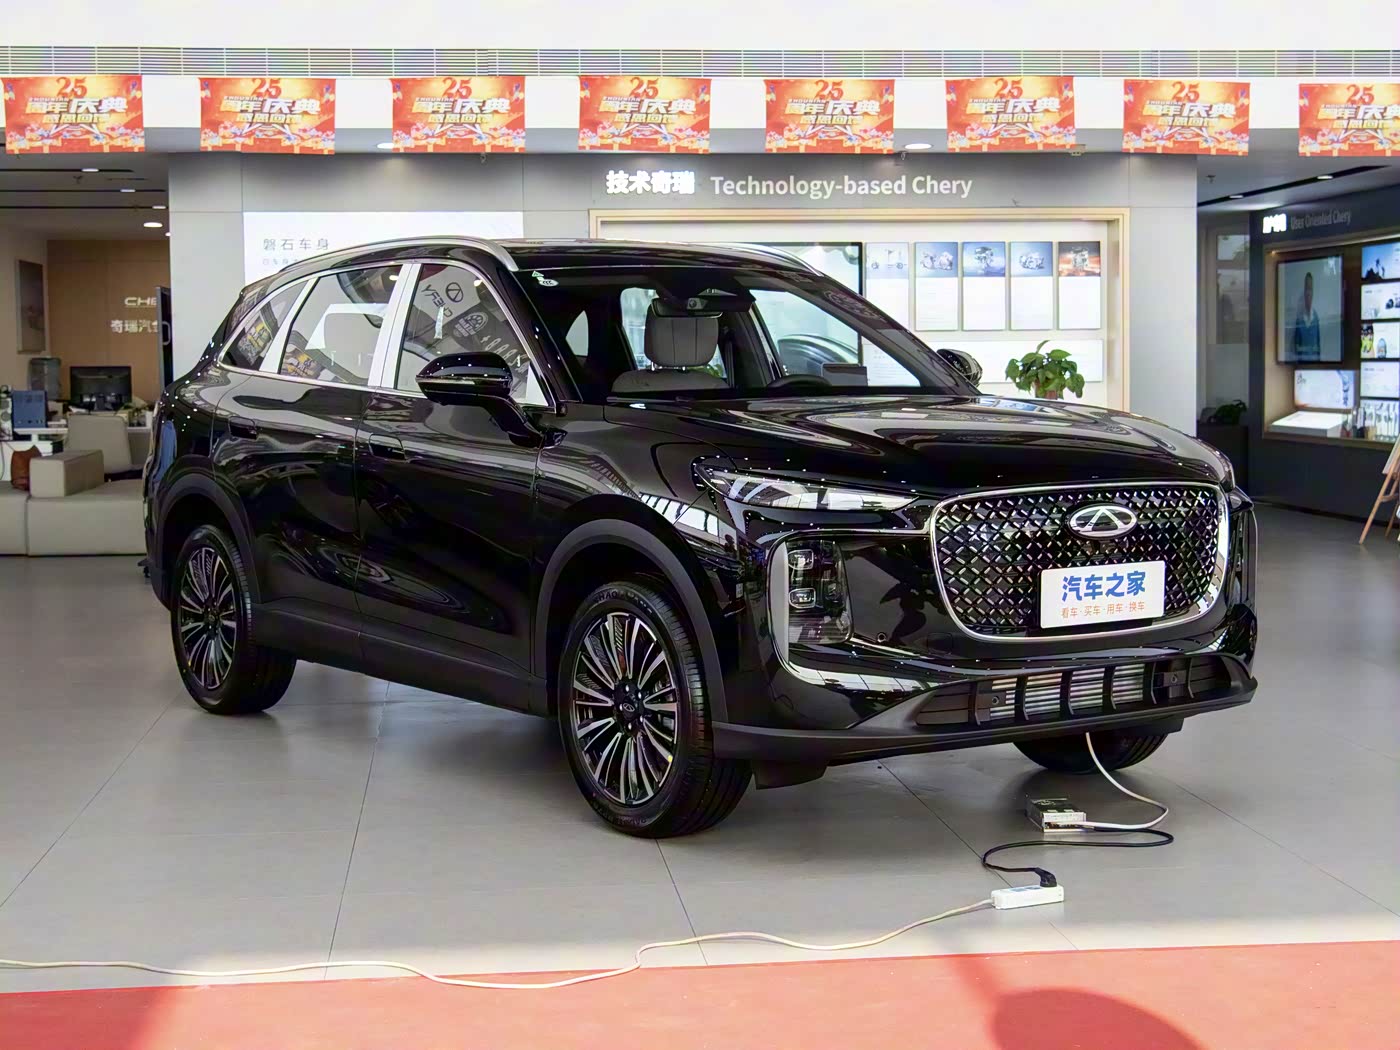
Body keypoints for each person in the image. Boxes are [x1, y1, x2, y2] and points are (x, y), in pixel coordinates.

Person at [1292, 271, 1322, 361]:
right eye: (1306, 289)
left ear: (1313, 292)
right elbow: (1296, 348)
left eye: (1310, 289)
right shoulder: (1299, 319)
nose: (1308, 293)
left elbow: (1318, 346)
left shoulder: (1316, 318)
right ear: (1304, 292)